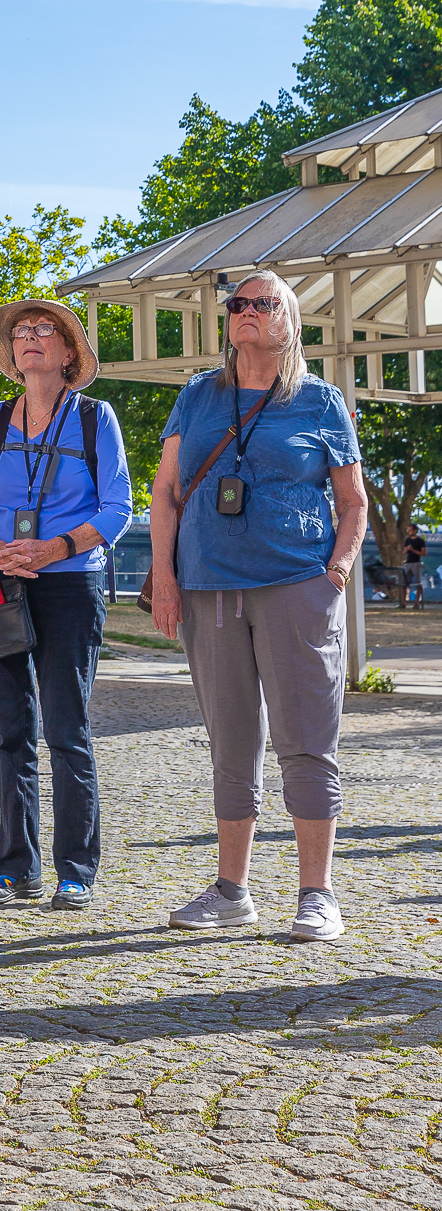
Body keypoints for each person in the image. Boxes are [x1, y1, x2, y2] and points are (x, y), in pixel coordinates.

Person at [151, 270, 368, 943]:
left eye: (261, 303)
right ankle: (230, 889)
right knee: (230, 740)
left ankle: (316, 894)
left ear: (289, 321)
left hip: (295, 585)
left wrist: (333, 572)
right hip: (208, 586)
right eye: (237, 304)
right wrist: (163, 574)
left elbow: (353, 503)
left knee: (305, 741)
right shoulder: (196, 397)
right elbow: (163, 493)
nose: (246, 311)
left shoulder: (320, 402)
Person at [0, 300, 132, 912]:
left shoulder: (95, 418)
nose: (32, 340)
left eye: (46, 332)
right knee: (10, 728)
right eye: (23, 333)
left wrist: (54, 547)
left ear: (67, 354)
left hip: (68, 583)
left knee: (65, 726)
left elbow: (117, 508)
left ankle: (76, 870)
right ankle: (15, 869)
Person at [404, 525, 427, 609]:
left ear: (415, 531)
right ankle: (403, 603)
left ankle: (416, 603)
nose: (408, 532)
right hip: (408, 563)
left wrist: (413, 550)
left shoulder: (420, 541)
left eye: (410, 530)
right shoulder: (407, 540)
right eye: (408, 530)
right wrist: (407, 549)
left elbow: (424, 553)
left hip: (416, 563)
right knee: (404, 583)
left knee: (418, 583)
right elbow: (405, 551)